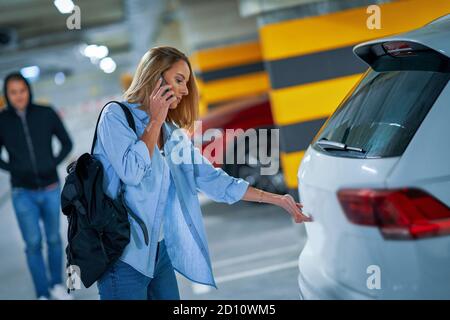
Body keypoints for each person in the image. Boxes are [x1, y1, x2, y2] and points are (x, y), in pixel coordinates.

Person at [94, 46, 312, 300]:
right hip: (123, 256)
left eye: (186, 83)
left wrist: (277, 199)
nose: (185, 90)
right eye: (179, 80)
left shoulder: (170, 133)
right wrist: (154, 120)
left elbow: (213, 179)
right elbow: (131, 172)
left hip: (159, 251)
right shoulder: (115, 117)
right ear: (156, 79)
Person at [0, 73, 73, 300]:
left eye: (22, 90)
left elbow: (66, 142)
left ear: (28, 90)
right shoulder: (2, 121)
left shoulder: (45, 113)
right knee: (32, 244)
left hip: (50, 187)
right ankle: (42, 293)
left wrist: (50, 162)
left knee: (53, 239)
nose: (19, 96)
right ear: (7, 95)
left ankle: (57, 286)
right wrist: (14, 169)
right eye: (13, 92)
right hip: (23, 193)